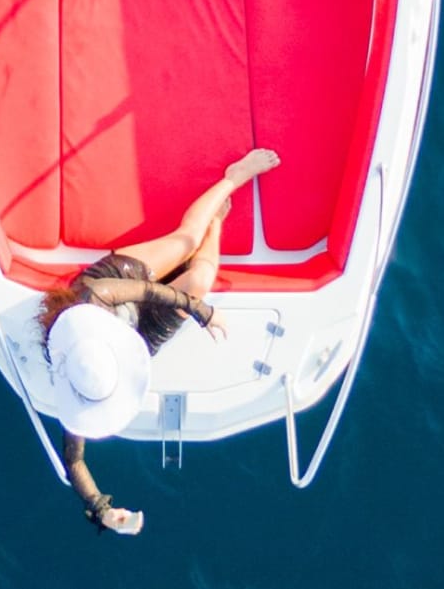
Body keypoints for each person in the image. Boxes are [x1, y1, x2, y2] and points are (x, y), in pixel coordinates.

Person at [38, 147, 280, 534]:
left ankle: (234, 177)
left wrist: (201, 312)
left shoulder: (93, 297)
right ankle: (217, 226)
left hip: (120, 288)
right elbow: (75, 461)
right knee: (199, 279)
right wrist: (101, 509)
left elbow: (150, 292)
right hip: (134, 333)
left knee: (186, 241)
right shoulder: (84, 377)